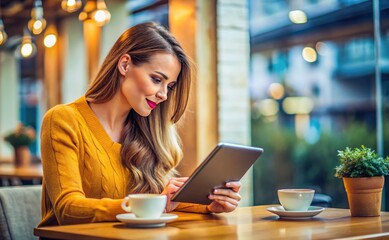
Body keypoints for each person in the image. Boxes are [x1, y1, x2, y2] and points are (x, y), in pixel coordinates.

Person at [38, 22, 242, 227]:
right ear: (125, 65)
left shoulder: (146, 131)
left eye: (169, 86)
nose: (163, 95)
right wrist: (148, 204)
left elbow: (165, 202)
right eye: (156, 79)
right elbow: (68, 209)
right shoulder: (63, 120)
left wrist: (209, 204)